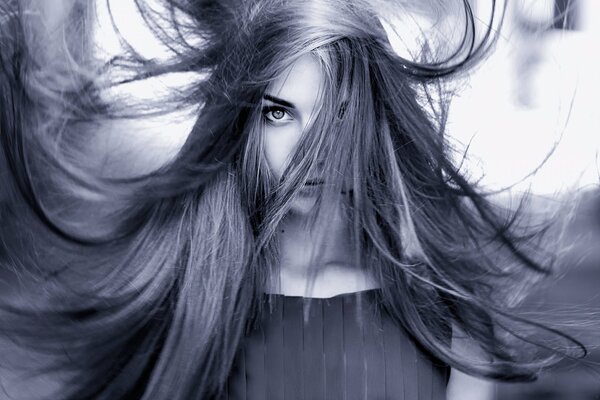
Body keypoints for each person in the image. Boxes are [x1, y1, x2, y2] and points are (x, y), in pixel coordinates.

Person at [0, 0, 585, 399]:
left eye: (337, 113)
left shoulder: (448, 319)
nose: (311, 150)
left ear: (373, 126)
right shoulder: (188, 302)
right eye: (279, 113)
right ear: (240, 125)